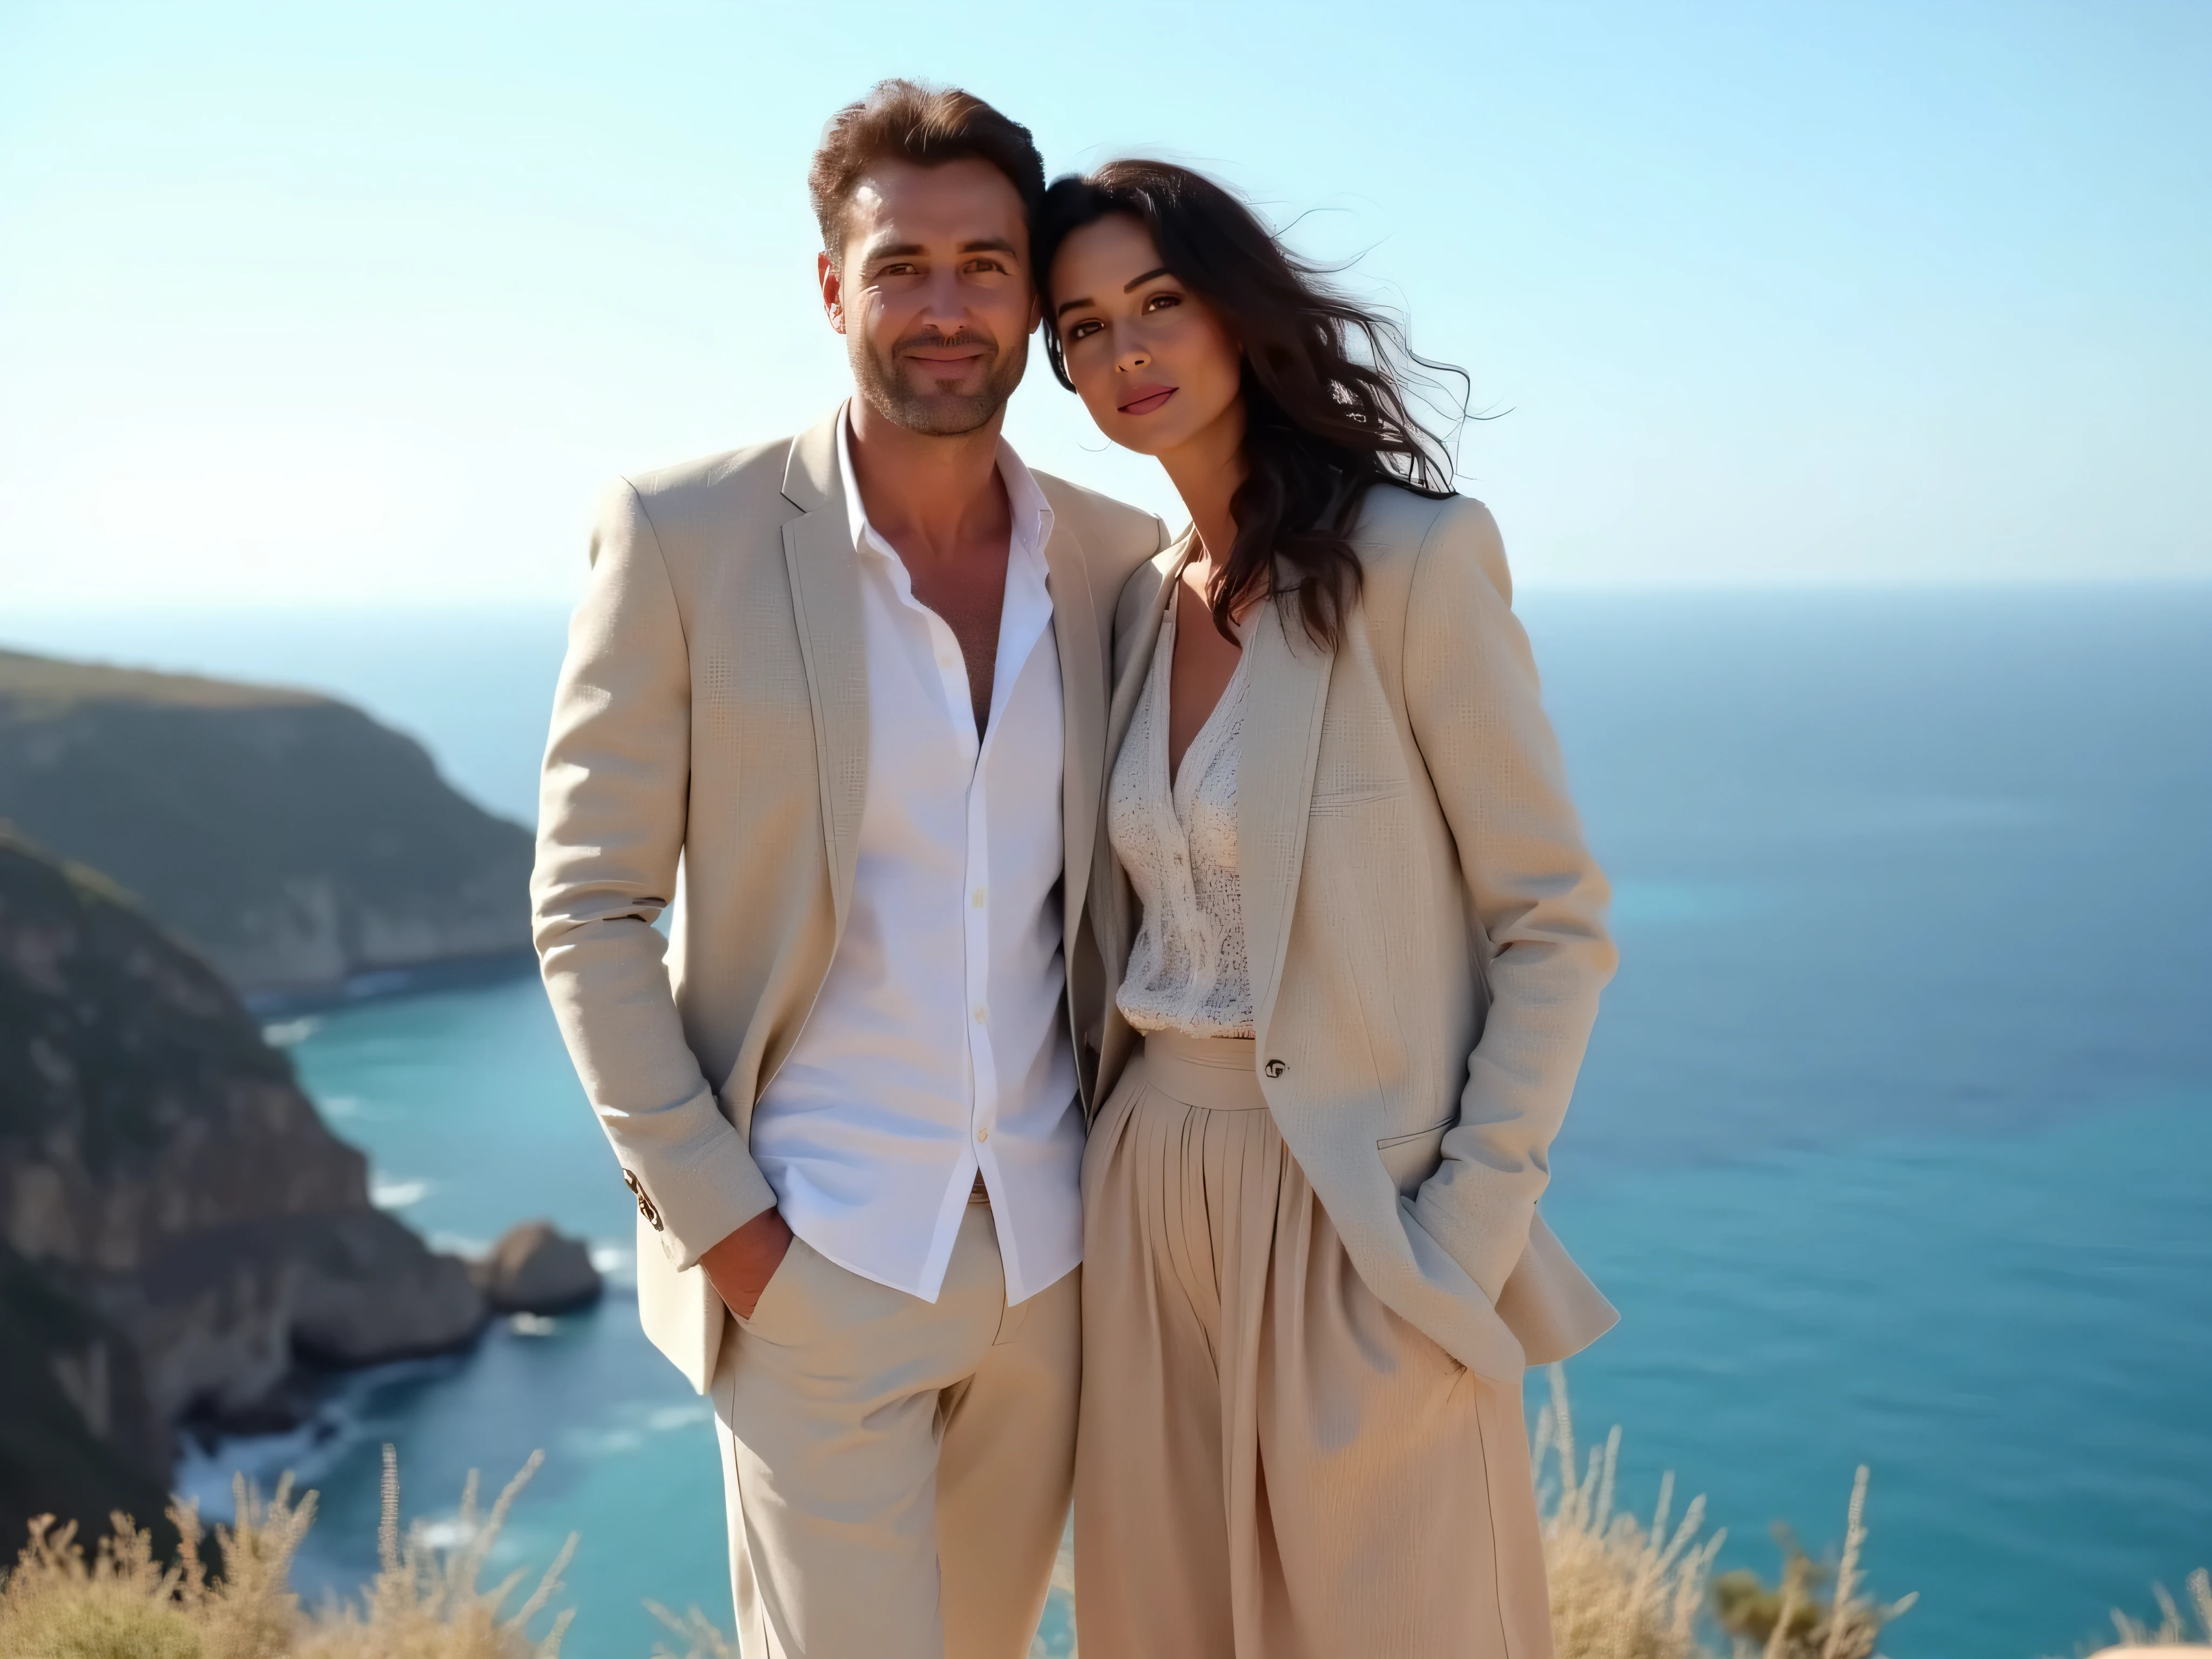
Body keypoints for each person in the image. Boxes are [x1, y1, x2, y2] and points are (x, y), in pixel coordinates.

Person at [531, 84, 1165, 1659]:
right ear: (833, 288)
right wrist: (735, 1240)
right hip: (814, 1264)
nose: (946, 309)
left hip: (1055, 1264)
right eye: (902, 268)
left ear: (1032, 297)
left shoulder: (1116, 558)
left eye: (985, 267)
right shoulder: (683, 533)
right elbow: (591, 907)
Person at [1035, 161, 1621, 1659]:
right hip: (1142, 1189)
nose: (1126, 353)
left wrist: (1461, 1234)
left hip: (1354, 1209)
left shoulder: (1412, 563)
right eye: (1084, 327)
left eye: (1159, 303)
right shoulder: (1135, 604)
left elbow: (1554, 921)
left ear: (1239, 313)